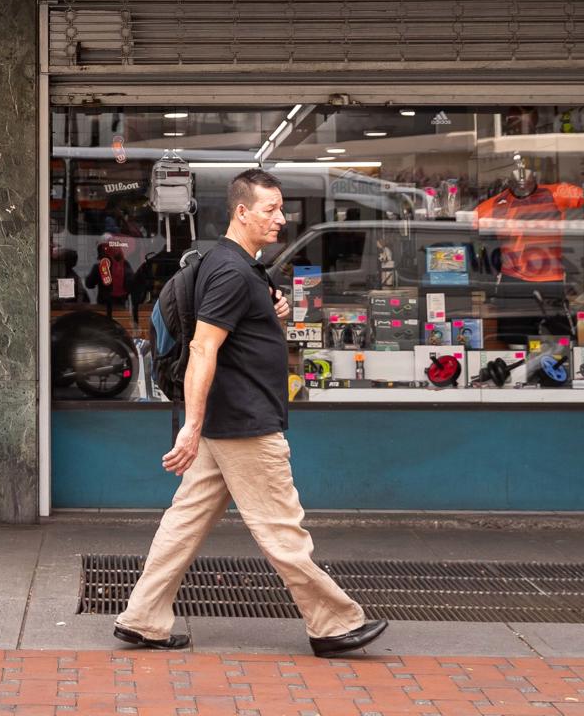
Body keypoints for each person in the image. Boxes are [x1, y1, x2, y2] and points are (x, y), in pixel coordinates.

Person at [113, 169, 386, 658]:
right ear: (242, 212)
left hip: (227, 421)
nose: (281, 218)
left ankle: (142, 619)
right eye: (271, 209)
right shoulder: (234, 271)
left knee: (183, 523)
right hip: (243, 423)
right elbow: (202, 347)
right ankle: (333, 624)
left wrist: (271, 311)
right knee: (283, 528)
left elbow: (231, 328)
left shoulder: (232, 265)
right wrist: (190, 428)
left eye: (282, 209)